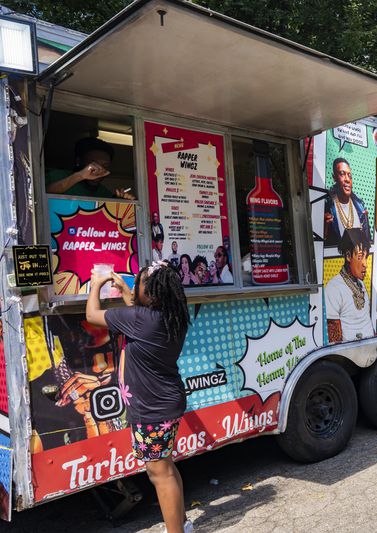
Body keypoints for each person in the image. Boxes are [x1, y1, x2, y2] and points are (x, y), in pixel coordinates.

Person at [85, 262, 192, 533]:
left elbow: (94, 314)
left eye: (140, 282)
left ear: (153, 293)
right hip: (166, 401)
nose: (135, 285)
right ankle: (182, 525)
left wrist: (97, 282)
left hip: (152, 408)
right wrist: (125, 290)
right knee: (167, 467)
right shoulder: (171, 314)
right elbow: (137, 312)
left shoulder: (140, 319)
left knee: (159, 474)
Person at [46, 137, 135, 200]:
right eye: (94, 165)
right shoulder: (57, 176)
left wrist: (118, 201)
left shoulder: (104, 193)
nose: (99, 170)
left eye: (105, 166)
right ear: (79, 161)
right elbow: (38, 195)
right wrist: (80, 176)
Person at [326, 229, 374, 342]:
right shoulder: (334, 288)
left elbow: (366, 322)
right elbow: (334, 341)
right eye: (360, 257)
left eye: (366, 257)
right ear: (348, 256)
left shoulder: (360, 284)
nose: (365, 264)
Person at [324, 158, 371, 248]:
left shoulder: (360, 207)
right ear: (334, 177)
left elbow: (367, 243)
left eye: (350, 176)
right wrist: (325, 228)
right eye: (342, 174)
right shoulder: (327, 205)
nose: (347, 179)